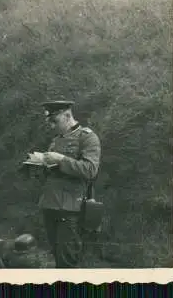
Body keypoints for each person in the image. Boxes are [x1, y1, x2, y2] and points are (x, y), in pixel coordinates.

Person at [35, 100, 101, 268]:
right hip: (50, 205)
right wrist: (39, 165)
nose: (51, 126)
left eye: (54, 121)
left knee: (67, 261)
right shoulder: (56, 140)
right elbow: (52, 175)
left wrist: (61, 159)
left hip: (71, 209)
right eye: (49, 122)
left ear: (67, 115)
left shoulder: (87, 137)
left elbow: (90, 170)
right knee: (58, 257)